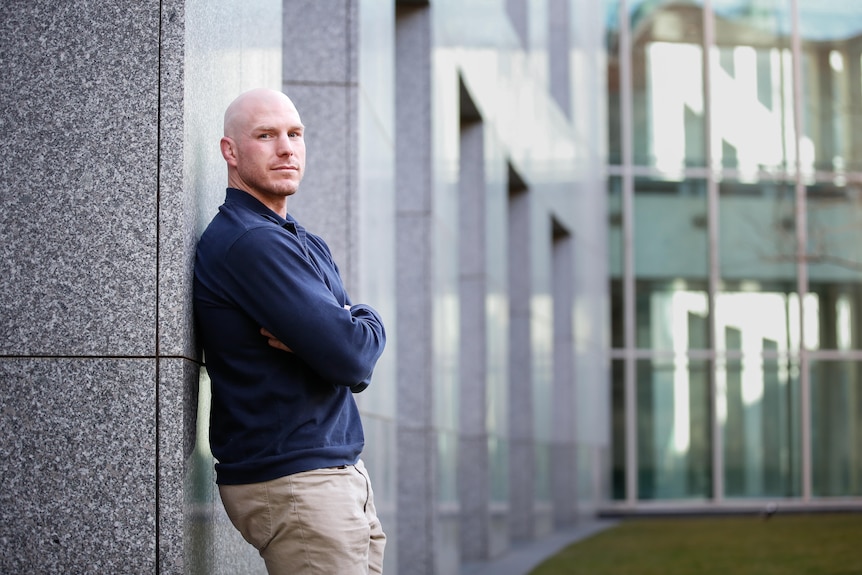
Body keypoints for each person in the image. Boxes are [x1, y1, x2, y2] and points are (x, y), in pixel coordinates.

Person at [193, 88, 387, 574]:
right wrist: (354, 323)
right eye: (265, 135)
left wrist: (354, 321)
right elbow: (351, 357)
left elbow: (346, 342)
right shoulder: (250, 242)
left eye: (294, 134)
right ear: (230, 152)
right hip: (299, 481)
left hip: (335, 475)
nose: (286, 148)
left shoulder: (300, 239)